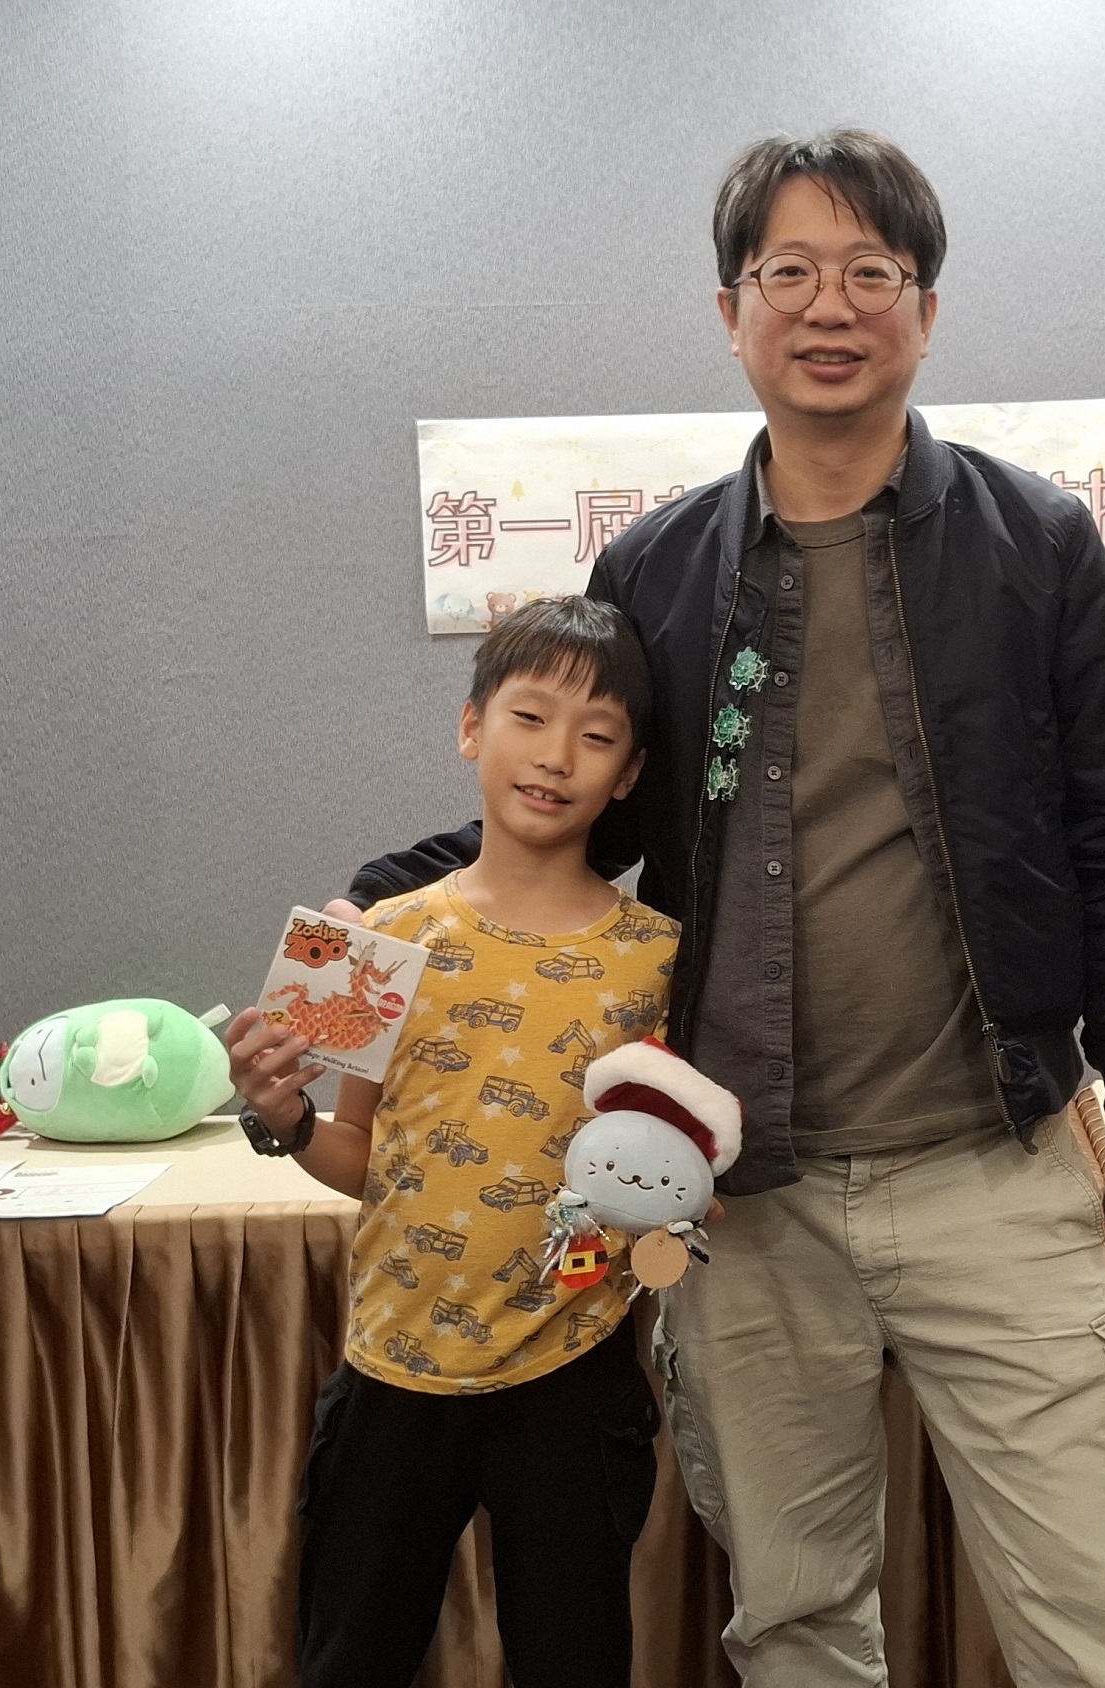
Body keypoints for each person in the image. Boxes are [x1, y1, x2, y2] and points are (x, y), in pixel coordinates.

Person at [350, 130, 1105, 1685]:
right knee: (797, 1626)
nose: (830, 307)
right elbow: (586, 813)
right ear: (731, 312)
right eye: (788, 272)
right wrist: (374, 924)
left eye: (871, 272)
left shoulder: (1036, 545)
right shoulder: (660, 568)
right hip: (746, 1199)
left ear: (925, 310)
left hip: (994, 1164)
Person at [225, 595, 683, 1688]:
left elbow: (674, 1158)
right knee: (352, 1658)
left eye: (596, 736)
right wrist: (285, 1120)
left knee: (574, 1663)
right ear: (472, 727)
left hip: (573, 1373)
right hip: (393, 1370)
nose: (556, 755)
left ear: (628, 775)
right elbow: (358, 1154)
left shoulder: (663, 958)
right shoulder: (379, 940)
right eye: (529, 717)